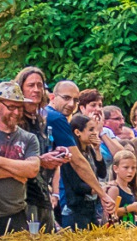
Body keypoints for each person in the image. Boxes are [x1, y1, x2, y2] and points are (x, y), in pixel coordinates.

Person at [47, 80, 115, 218]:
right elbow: (77, 162)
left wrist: (96, 149)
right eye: (66, 98)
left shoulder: (46, 114)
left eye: (75, 100)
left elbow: (100, 172)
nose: (71, 104)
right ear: (52, 97)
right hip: (73, 207)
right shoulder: (57, 118)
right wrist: (102, 194)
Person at [14, 67, 65, 233]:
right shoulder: (14, 123)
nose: (36, 90)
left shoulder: (41, 120)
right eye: (30, 85)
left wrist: (57, 154)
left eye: (39, 85)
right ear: (20, 88)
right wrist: (41, 160)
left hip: (43, 195)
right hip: (23, 198)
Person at [0, 81, 41, 237]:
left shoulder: (29, 138)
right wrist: (16, 173)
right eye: (11, 107)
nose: (16, 112)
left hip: (16, 214)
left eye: (19, 107)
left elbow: (32, 169)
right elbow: (25, 169)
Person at [60, 114, 106, 229]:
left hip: (91, 207)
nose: (95, 133)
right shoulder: (71, 154)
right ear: (77, 132)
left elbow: (102, 173)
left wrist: (97, 150)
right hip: (76, 210)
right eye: (91, 130)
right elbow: (76, 185)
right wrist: (96, 189)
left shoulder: (89, 151)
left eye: (95, 129)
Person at [107, 150, 137, 225]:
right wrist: (131, 208)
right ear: (115, 169)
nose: (130, 171)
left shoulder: (129, 189)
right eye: (126, 167)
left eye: (133, 168)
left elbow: (129, 212)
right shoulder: (114, 189)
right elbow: (110, 214)